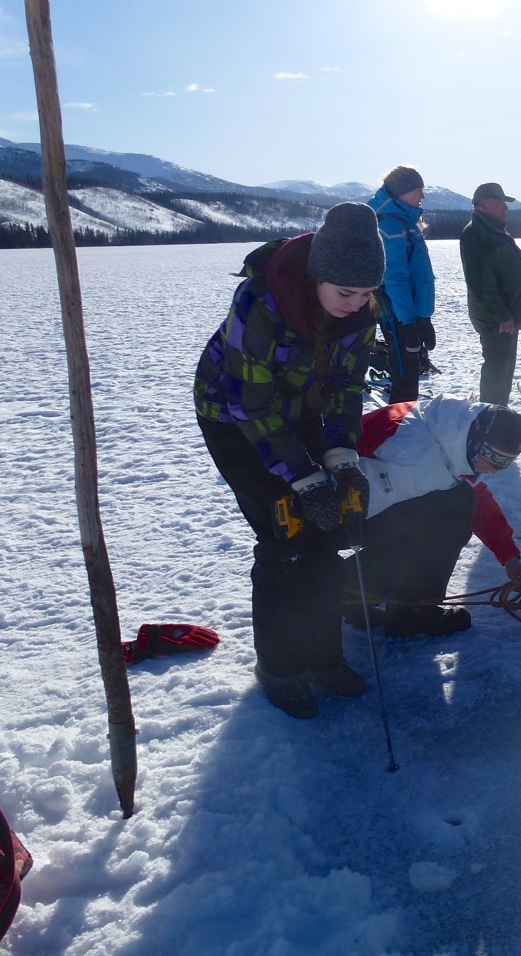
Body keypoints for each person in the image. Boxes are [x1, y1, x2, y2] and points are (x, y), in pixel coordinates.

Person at [194, 201, 384, 719]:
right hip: (233, 416)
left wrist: (343, 461)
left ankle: (324, 657)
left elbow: (347, 386)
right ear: (318, 276)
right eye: (346, 292)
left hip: (302, 406)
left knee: (328, 531)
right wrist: (302, 477)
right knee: (286, 539)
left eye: (367, 293)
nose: (357, 303)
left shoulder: (362, 310)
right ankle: (279, 666)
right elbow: (247, 404)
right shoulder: (262, 301)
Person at [350, 396, 521, 638]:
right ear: (478, 442)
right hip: (330, 509)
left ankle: (401, 605)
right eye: (495, 459)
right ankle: (351, 592)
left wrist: (508, 555)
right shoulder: (409, 452)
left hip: (376, 499)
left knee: (455, 503)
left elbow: (475, 498)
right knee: (443, 518)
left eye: (506, 463)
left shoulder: (455, 435)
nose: (497, 470)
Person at [368, 164, 435, 403]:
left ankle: (405, 425)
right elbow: (394, 278)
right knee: (405, 376)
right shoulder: (391, 224)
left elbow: (419, 275)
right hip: (397, 313)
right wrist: (409, 324)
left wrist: (423, 317)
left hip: (409, 313)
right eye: (418, 190)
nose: (422, 196)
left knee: (409, 372)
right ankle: (400, 430)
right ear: (402, 191)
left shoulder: (404, 220)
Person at [460, 182, 521, 406]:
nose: (506, 209)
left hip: (507, 317)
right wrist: (502, 315)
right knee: (496, 372)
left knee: (504, 372)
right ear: (483, 205)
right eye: (501, 203)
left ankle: (497, 413)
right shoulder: (475, 234)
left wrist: (518, 312)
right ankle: (490, 418)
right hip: (496, 320)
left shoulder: (493, 231)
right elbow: (480, 283)